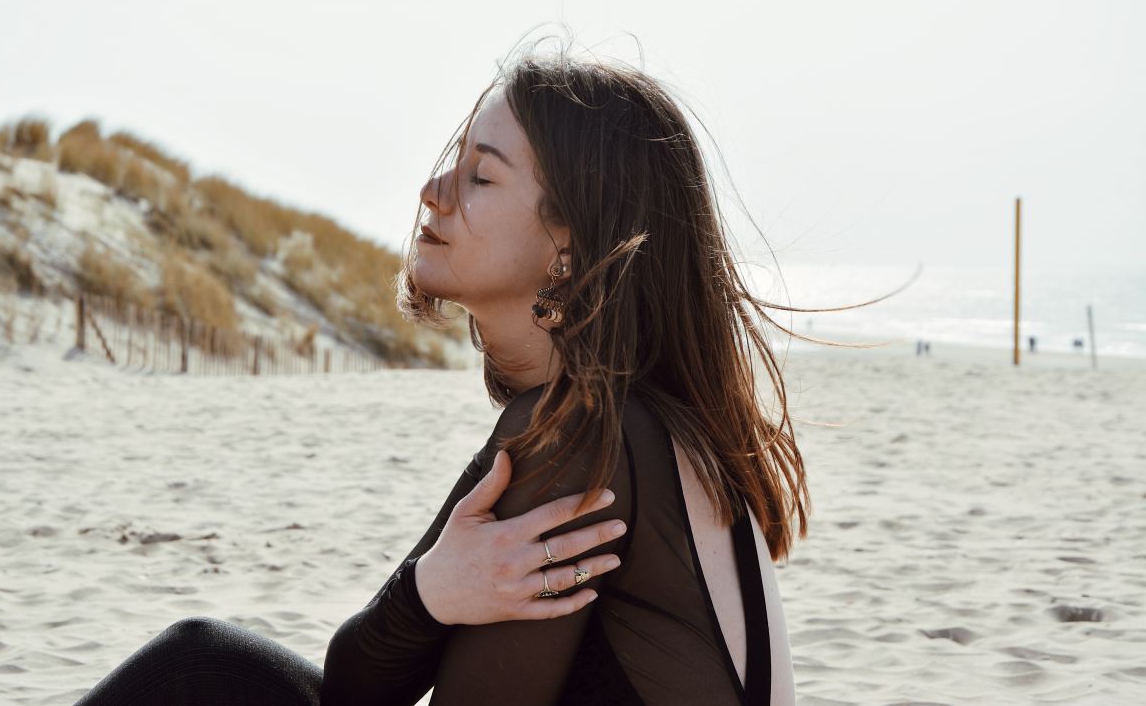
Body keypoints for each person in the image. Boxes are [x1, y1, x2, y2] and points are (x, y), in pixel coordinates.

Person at [73, 36, 893, 705]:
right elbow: (359, 678)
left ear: (569, 243)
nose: (432, 191)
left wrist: (425, 599)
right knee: (211, 664)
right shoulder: (649, 428)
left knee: (198, 673)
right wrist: (430, 591)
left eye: (481, 175)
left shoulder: (585, 439)